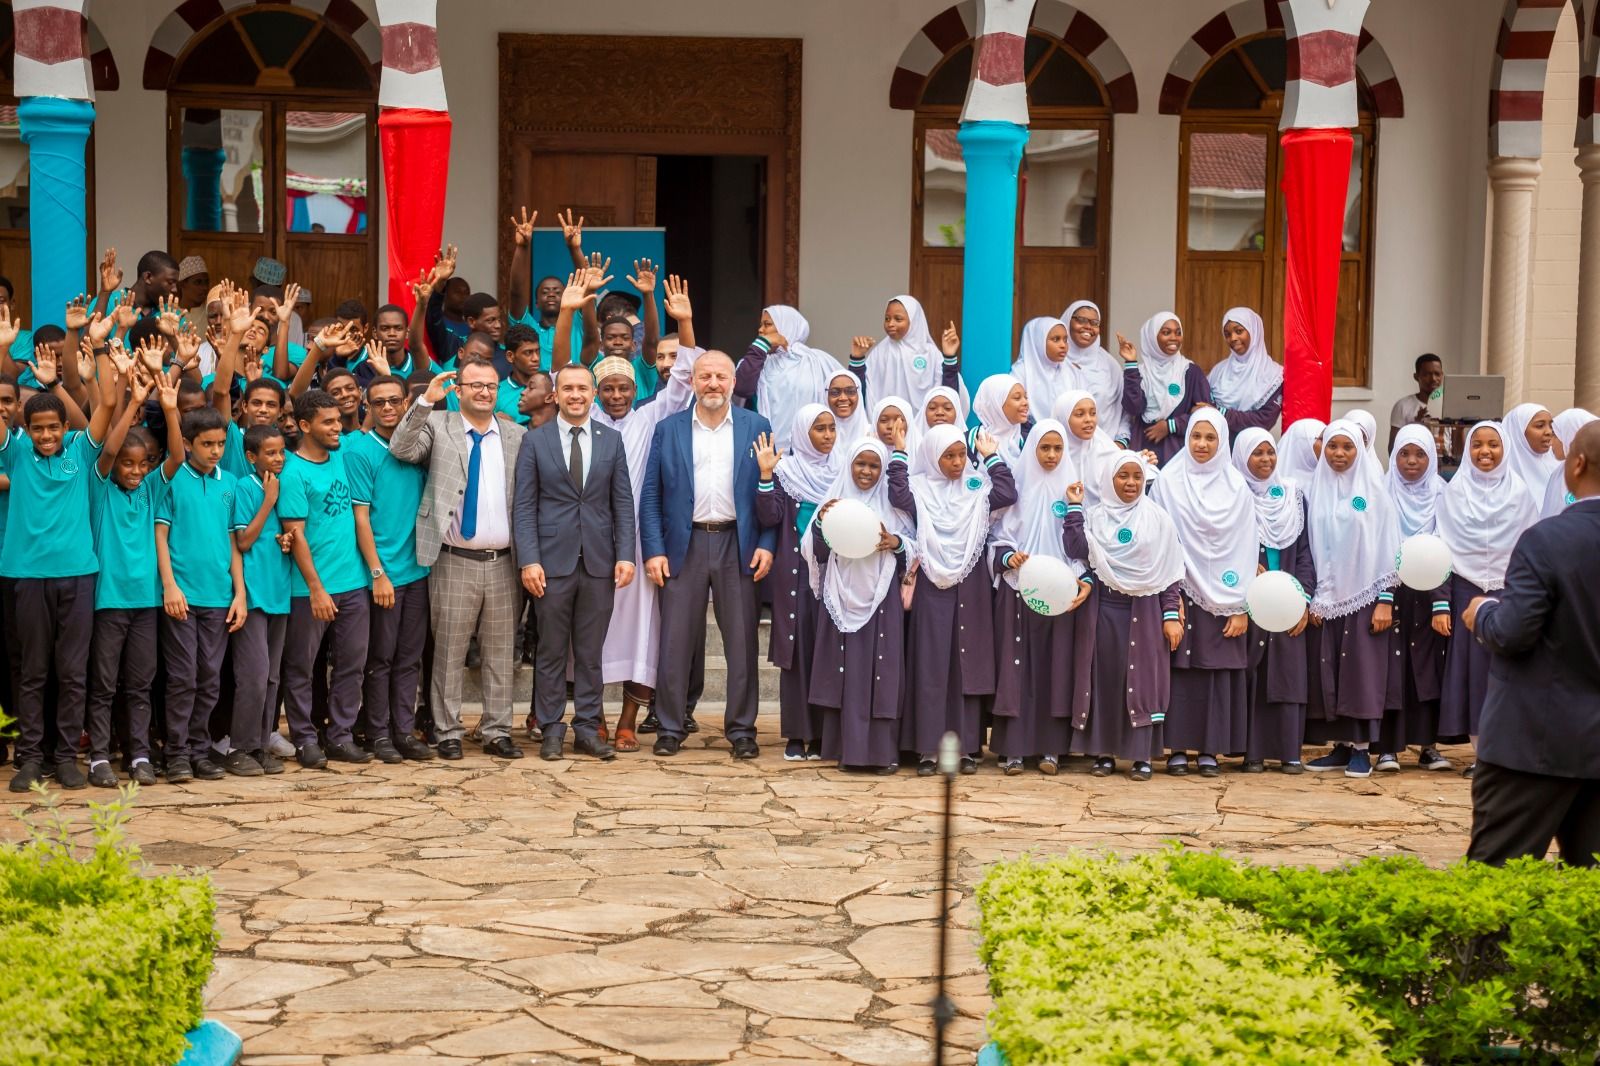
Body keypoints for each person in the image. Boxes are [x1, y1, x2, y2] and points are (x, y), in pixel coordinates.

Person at [1463, 421, 1600, 867]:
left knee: (1494, 887)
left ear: (1575, 465)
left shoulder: (1548, 540)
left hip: (1535, 743)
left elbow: (1513, 632)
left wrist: (1482, 611)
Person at [389, 357, 528, 760]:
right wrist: (426, 402)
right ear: (459, 390)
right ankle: (447, 730)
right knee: (448, 650)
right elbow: (401, 448)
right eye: (475, 385)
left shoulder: (516, 435)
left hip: (504, 560)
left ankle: (498, 729)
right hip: (453, 557)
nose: (484, 392)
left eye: (490, 385)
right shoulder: (439, 424)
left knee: (501, 652)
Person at [639, 350, 775, 759]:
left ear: (734, 382)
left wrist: (767, 544)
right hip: (686, 544)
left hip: (739, 543)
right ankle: (669, 726)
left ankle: (742, 730)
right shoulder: (669, 428)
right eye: (704, 377)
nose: (712, 383)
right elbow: (651, 495)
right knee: (675, 641)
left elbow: (771, 488)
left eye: (720, 376)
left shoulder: (757, 426)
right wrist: (653, 550)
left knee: (741, 643)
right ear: (692, 382)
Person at [2, 342, 118, 792]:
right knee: (33, 672)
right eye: (38, 429)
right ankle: (30, 759)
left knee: (72, 672)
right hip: (27, 578)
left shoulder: (80, 451)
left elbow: (107, 403)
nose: (46, 436)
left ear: (66, 427)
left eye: (53, 428)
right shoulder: (15, 453)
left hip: (77, 576)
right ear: (25, 429)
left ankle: (66, 758)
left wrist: (103, 357)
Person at [590, 276, 700, 751]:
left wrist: (685, 321)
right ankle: (591, 714)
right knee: (592, 630)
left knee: (641, 634)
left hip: (640, 543)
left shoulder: (651, 415)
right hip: (593, 541)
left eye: (623, 387)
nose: (615, 395)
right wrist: (578, 310)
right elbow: (561, 375)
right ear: (596, 392)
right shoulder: (585, 419)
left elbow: (684, 375)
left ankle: (629, 719)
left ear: (635, 387)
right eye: (607, 388)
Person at [513, 363, 636, 762]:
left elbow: (623, 504)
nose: (576, 395)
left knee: (590, 652)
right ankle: (550, 728)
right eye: (568, 389)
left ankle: (587, 727)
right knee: (549, 650)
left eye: (583, 388)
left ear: (593, 392)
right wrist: (529, 560)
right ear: (556, 395)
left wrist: (626, 555)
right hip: (550, 564)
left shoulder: (611, 440)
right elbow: (525, 506)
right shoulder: (535, 441)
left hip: (599, 563)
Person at [893, 423, 1016, 775]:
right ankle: (929, 751)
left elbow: (1007, 493)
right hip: (932, 582)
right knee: (931, 665)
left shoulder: (976, 487)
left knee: (965, 666)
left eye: (962, 454)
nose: (958, 462)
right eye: (948, 456)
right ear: (933, 457)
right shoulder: (919, 488)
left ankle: (965, 749)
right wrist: (900, 452)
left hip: (970, 583)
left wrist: (990, 457)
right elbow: (897, 494)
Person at [988, 418, 1094, 776]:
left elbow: (1081, 548)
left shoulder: (1074, 490)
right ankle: (1014, 750)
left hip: (1062, 593)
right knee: (1018, 667)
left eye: (1058, 448)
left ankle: (1052, 749)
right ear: (1032, 448)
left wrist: (1075, 507)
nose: (1051, 455)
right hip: (1019, 590)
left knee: (1055, 668)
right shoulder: (1019, 487)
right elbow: (994, 536)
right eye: (1044, 448)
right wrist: (1008, 557)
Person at [1153, 409, 1255, 776]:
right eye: (1196, 436)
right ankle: (1178, 747)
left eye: (1211, 438)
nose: (1201, 444)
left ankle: (1211, 749)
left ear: (1222, 441)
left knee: (1216, 671)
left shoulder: (1237, 488)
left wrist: (1242, 605)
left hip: (1227, 596)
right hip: (1181, 591)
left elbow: (1247, 546)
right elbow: (1159, 539)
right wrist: (1170, 593)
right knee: (1182, 669)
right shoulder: (1167, 482)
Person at [86, 361, 174, 787]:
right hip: (108, 602)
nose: (136, 471)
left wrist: (168, 409)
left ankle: (139, 754)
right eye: (129, 464)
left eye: (143, 464)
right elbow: (106, 450)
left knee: (140, 683)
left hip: (147, 602)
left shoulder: (154, 487)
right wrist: (134, 400)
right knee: (103, 684)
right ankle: (99, 757)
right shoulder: (100, 487)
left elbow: (176, 456)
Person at [1434, 422, 1540, 776]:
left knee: (1511, 671)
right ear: (1466, 451)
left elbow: (1530, 549)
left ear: (1505, 448)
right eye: (1477, 445)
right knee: (1475, 672)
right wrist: (1442, 602)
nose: (1485, 452)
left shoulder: (1520, 494)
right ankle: (1483, 753)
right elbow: (1443, 551)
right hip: (1466, 591)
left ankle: (1512, 750)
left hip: (1511, 590)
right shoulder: (1454, 492)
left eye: (1493, 444)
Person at [804, 439, 913, 774]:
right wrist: (823, 522)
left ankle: (881, 754)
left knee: (882, 673)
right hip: (841, 594)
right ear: (849, 466)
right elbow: (813, 549)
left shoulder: (893, 506)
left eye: (874, 466)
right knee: (847, 674)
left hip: (881, 600)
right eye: (860, 464)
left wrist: (895, 543)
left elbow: (913, 544)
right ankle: (846, 751)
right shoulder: (836, 501)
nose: (866, 472)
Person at [1077, 451, 1185, 781]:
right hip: (1105, 611)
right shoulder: (1094, 518)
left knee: (1142, 682)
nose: (1130, 483)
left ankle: (1142, 756)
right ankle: (1104, 753)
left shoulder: (1158, 520)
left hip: (1146, 614)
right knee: (1106, 680)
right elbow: (1081, 555)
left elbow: (1168, 573)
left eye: (1137, 477)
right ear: (1109, 479)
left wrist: (1171, 615)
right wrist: (1071, 511)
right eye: (1122, 476)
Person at [278, 389, 371, 769]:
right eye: (328, 422)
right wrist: (316, 588)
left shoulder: (344, 455)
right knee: (301, 667)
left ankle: (341, 736)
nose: (337, 428)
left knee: (352, 664)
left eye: (338, 421)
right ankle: (303, 738)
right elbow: (295, 533)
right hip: (309, 589)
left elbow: (366, 428)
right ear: (304, 426)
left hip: (353, 584)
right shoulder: (292, 470)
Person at [1302, 420, 1400, 779]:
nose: (1339, 454)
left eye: (1347, 448)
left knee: (1362, 673)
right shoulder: (1318, 489)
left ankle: (1362, 750)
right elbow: (1315, 547)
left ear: (1360, 451)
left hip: (1366, 594)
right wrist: (1317, 597)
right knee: (1332, 670)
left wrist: (1385, 599)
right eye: (1332, 447)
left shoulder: (1374, 491)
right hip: (1328, 598)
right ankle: (1341, 746)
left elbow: (1390, 548)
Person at [156, 404, 248, 779]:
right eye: (207, 443)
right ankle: (175, 752)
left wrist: (239, 593)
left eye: (221, 443)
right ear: (187, 444)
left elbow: (232, 543)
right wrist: (170, 586)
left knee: (210, 678)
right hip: (183, 598)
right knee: (183, 678)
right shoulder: (172, 478)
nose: (215, 451)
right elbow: (160, 535)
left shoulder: (229, 483)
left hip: (219, 597)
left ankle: (198, 749)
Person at [347, 375, 435, 763]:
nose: (387, 408)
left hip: (419, 570)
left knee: (409, 658)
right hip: (384, 574)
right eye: (378, 402)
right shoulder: (361, 451)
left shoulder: (417, 446)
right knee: (380, 659)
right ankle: (378, 733)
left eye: (394, 401)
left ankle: (403, 731)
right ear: (367, 407)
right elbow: (360, 518)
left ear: (405, 404)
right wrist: (377, 573)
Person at [755, 405, 841, 761]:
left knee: (827, 651)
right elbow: (770, 516)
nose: (826, 435)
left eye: (831, 428)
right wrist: (764, 475)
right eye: (818, 429)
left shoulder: (843, 470)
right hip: (795, 572)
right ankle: (795, 735)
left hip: (835, 574)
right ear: (803, 432)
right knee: (797, 653)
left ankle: (822, 735)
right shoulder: (785, 471)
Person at [1232, 427, 1313, 774]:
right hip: (1249, 600)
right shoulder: (1233, 496)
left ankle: (1289, 750)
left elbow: (1307, 553)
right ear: (1241, 458)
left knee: (1288, 673)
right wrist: (1246, 571)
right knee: (1256, 672)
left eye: (1270, 452)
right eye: (1257, 453)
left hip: (1289, 601)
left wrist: (1303, 599)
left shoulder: (1293, 495)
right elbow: (1223, 546)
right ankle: (1254, 751)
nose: (1265, 460)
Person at [1381, 425, 1452, 772]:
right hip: (1390, 589)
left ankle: (1428, 746)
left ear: (1432, 457)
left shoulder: (1442, 493)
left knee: (1426, 667)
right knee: (1390, 668)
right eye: (1404, 454)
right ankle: (1387, 748)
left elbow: (1448, 544)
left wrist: (1441, 601)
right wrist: (1382, 594)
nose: (1411, 461)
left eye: (1420, 454)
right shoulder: (1382, 490)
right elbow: (1375, 546)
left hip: (1429, 591)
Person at [229, 424, 293, 776]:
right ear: (251, 456)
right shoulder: (246, 486)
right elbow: (244, 540)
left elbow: (277, 534)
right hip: (253, 595)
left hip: (279, 591)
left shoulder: (282, 485)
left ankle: (259, 744)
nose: (278, 458)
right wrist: (268, 501)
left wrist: (285, 539)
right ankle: (239, 747)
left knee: (271, 678)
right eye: (270, 453)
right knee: (253, 676)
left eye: (282, 451)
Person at [735, 305, 837, 454]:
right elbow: (742, 388)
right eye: (761, 325)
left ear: (787, 326)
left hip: (809, 453)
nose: (760, 330)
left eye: (767, 324)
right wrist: (760, 347)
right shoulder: (757, 360)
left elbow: (849, 392)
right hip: (765, 452)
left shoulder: (816, 361)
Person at [1123, 312, 1211, 467]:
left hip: (1178, 453)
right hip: (1145, 451)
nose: (1174, 338)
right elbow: (1134, 408)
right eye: (1166, 332)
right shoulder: (1141, 373)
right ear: (1152, 337)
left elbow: (1206, 415)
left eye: (1178, 333)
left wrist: (1171, 426)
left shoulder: (1190, 371)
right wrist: (1131, 365)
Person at [860, 296, 962, 411]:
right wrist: (857, 358)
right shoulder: (879, 352)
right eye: (887, 319)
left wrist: (949, 357)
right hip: (887, 424)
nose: (890, 324)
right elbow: (862, 390)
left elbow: (948, 393)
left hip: (924, 425)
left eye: (898, 319)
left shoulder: (930, 353)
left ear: (914, 321)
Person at [1060, 300, 1138, 447]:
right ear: (1067, 322)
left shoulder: (1109, 365)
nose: (1088, 327)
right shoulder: (1054, 362)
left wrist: (1121, 442)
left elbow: (1126, 411)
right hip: (1060, 452)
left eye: (1094, 323)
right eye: (1081, 320)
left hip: (1104, 452)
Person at [1208, 308, 1283, 438]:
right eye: (1227, 334)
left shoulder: (1273, 375)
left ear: (1254, 331)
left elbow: (1264, 420)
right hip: (1217, 446)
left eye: (1239, 331)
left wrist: (1220, 413)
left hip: (1251, 449)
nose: (1233, 338)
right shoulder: (1218, 372)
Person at [1387, 353, 1456, 458]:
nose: (1433, 379)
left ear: (1442, 376)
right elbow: (1393, 449)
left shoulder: (1452, 404)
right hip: (1416, 468)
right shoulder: (1403, 406)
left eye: (1437, 374)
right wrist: (1416, 426)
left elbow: (1459, 449)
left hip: (1447, 469)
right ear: (1416, 377)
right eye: (1426, 374)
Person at [1012, 317, 1074, 423]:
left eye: (1065, 340)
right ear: (1038, 341)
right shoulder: (1020, 372)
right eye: (1056, 339)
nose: (1063, 345)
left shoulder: (1069, 370)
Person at [1500, 403, 1560, 511]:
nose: (1549, 432)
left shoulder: (1560, 467)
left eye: (1551, 426)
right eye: (1540, 426)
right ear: (1518, 432)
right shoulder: (1500, 477)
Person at [1542, 408, 1598, 516]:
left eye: (1555, 435)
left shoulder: (1592, 475)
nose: (1550, 442)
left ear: (1570, 435)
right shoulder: (1558, 473)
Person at [973, 374, 1030, 467]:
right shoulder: (968, 443)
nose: (1025, 403)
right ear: (996, 403)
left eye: (1026, 397)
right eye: (1017, 398)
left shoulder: (1031, 440)